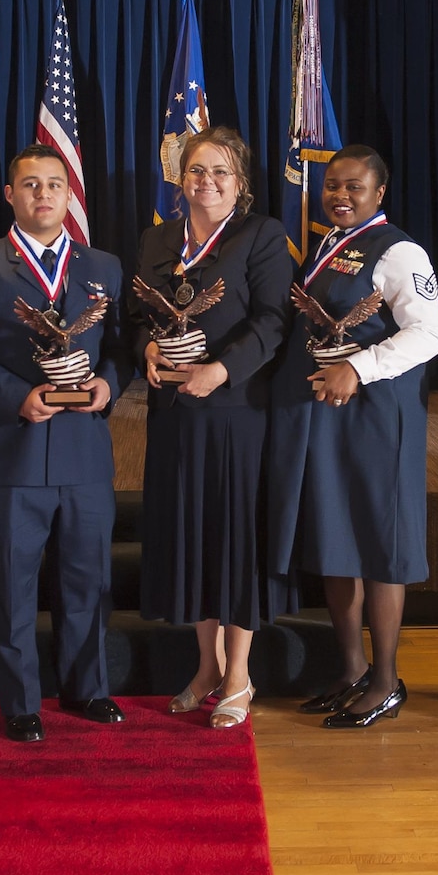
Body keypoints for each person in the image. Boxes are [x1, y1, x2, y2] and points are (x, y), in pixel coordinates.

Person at [0, 147, 130, 743]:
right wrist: (19, 394)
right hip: (13, 452)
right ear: (10, 194)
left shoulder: (104, 266)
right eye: (30, 185)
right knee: (12, 587)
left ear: (70, 195)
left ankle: (88, 688)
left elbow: (121, 347)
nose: (43, 195)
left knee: (87, 580)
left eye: (54, 184)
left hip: (84, 455)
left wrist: (109, 383)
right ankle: (20, 702)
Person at [268, 145, 438, 728]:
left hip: (376, 417)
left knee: (380, 545)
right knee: (337, 541)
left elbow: (429, 335)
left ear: (379, 193)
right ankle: (350, 670)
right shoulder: (324, 247)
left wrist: (359, 368)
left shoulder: (400, 251)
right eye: (333, 186)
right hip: (327, 417)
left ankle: (387, 680)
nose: (340, 195)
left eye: (354, 187)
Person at [127, 125, 290, 729]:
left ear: (240, 182)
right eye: (197, 170)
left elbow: (274, 322)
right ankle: (205, 667)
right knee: (190, 539)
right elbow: (135, 316)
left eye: (220, 171)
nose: (207, 181)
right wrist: (146, 349)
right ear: (181, 178)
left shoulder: (261, 236)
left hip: (234, 414)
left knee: (233, 540)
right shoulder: (157, 239)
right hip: (173, 415)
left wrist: (220, 370)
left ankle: (240, 673)